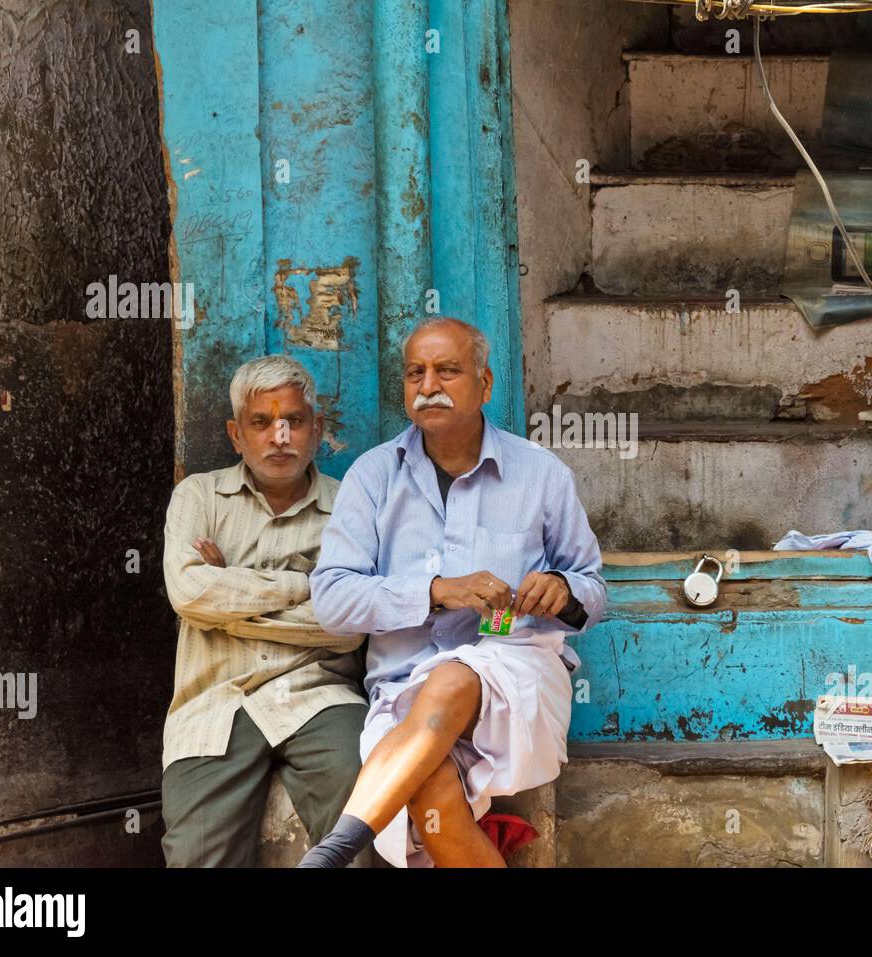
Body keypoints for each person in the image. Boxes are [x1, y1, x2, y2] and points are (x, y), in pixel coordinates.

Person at [300, 317, 605, 867]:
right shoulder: (372, 478)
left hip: (517, 679)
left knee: (454, 675)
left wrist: (561, 590)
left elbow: (592, 587)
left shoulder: (540, 474)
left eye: (448, 370)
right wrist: (436, 591)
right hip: (401, 692)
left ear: (486, 384)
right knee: (428, 790)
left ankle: (333, 851)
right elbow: (332, 601)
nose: (428, 384)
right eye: (415, 372)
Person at [160, 356, 369, 866]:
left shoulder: (351, 508)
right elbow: (189, 593)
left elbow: (347, 628)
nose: (280, 436)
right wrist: (305, 585)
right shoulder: (199, 496)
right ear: (236, 435)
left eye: (294, 421)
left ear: (316, 429)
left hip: (320, 697)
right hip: (214, 704)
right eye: (261, 422)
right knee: (195, 855)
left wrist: (228, 593)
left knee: (362, 826)